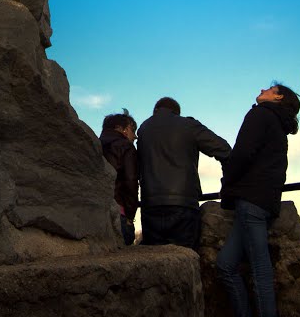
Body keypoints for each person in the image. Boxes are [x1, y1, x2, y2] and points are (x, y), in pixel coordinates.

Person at [216, 84, 300, 317]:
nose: (263, 88)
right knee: (226, 265)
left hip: (252, 202)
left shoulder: (261, 114)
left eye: (270, 88)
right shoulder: (278, 125)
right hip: (261, 203)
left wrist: (227, 181)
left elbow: (241, 154)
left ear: (279, 97)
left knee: (261, 272)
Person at [137, 97, 231, 250]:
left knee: (154, 259)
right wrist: (228, 184)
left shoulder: (143, 129)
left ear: (155, 111)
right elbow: (224, 150)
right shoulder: (188, 125)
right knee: (185, 256)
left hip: (150, 203)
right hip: (183, 202)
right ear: (177, 112)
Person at [99, 112, 139, 246]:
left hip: (97, 213)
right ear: (125, 129)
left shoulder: (95, 145)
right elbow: (131, 181)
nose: (135, 136)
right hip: (119, 214)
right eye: (133, 131)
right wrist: (130, 216)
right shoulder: (126, 147)